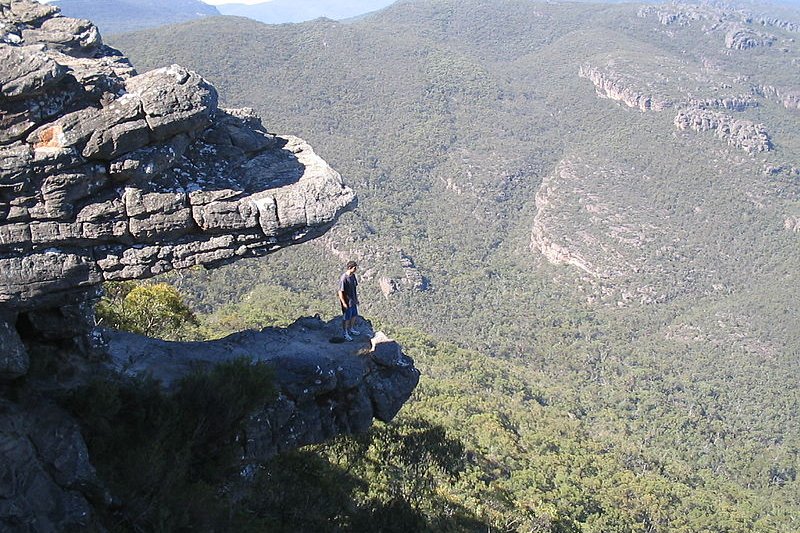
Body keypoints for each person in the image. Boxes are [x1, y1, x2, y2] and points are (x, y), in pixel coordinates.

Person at [338, 260, 360, 341]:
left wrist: (356, 299)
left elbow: (354, 288)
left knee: (354, 315)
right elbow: (340, 291)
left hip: (353, 300)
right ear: (350, 268)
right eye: (354, 268)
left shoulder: (353, 276)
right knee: (346, 317)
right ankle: (345, 333)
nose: (356, 269)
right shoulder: (344, 278)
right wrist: (344, 303)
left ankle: (351, 329)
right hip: (347, 302)